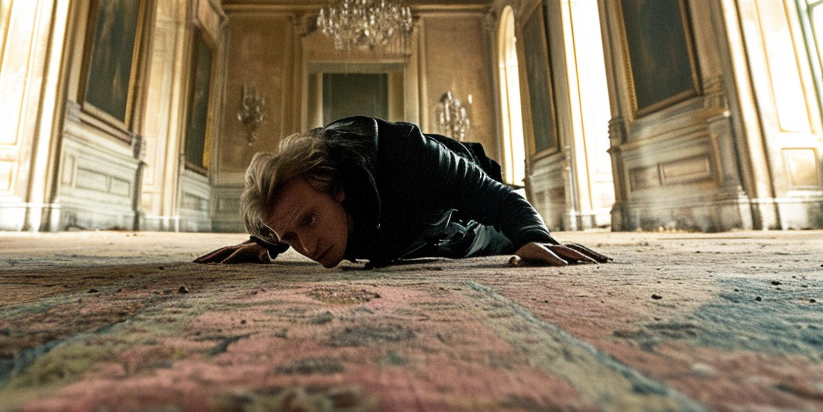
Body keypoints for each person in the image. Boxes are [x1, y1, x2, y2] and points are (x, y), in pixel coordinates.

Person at [194, 115, 609, 268]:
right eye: (290, 238)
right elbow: (288, 210)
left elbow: (493, 196)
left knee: (505, 241)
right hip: (388, 223)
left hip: (454, 221)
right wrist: (263, 242)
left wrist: (533, 237)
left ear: (338, 189)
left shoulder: (412, 158)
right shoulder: (302, 198)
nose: (306, 246)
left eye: (309, 222)